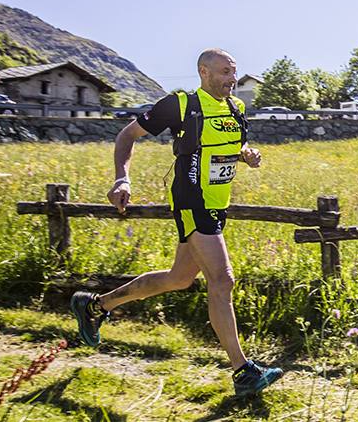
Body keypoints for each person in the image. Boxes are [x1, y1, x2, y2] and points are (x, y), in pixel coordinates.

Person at [71, 48, 283, 397]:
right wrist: (121, 179)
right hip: (191, 200)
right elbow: (127, 135)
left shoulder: (236, 108)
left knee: (179, 278)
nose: (232, 79)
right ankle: (243, 371)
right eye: (225, 72)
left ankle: (95, 305)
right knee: (222, 279)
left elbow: (233, 143)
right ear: (204, 72)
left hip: (217, 204)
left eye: (234, 72)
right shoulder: (179, 105)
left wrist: (247, 154)